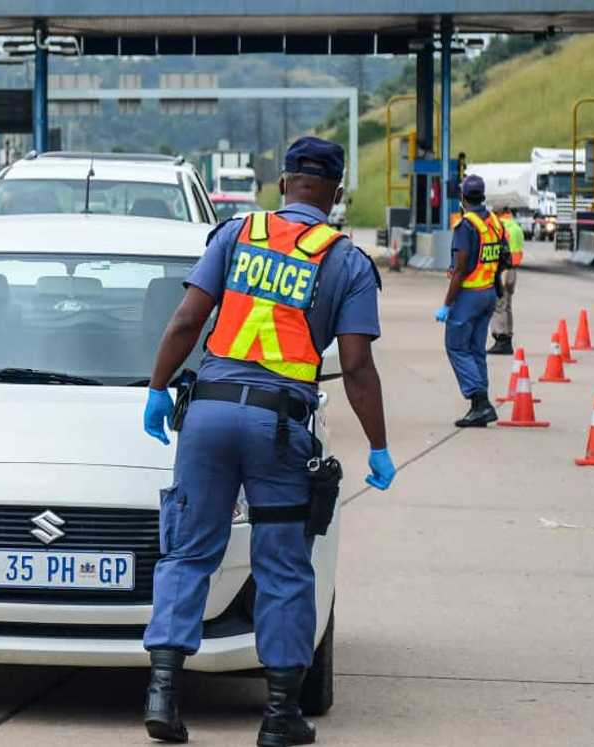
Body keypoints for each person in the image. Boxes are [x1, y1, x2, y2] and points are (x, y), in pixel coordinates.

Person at [139, 136, 394, 746]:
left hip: (208, 416)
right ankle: (280, 715)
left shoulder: (235, 234)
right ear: (335, 194)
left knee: (188, 552)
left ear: (283, 185)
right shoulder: (346, 261)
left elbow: (186, 322)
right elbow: (355, 364)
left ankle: (164, 695)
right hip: (278, 427)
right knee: (282, 565)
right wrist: (379, 445)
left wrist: (156, 387)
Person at [435, 175, 508, 426]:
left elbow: (461, 268)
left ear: (463, 197)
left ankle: (480, 402)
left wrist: (447, 303)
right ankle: (481, 404)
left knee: (456, 347)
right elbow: (503, 257)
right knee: (476, 350)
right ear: (483, 195)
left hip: (469, 295)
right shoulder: (495, 222)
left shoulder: (466, 225)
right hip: (488, 292)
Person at [487, 207, 525, 355]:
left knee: (499, 305)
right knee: (507, 306)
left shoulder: (499, 226)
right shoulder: (517, 228)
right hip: (513, 271)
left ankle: (501, 339)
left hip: (502, 270)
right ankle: (507, 336)